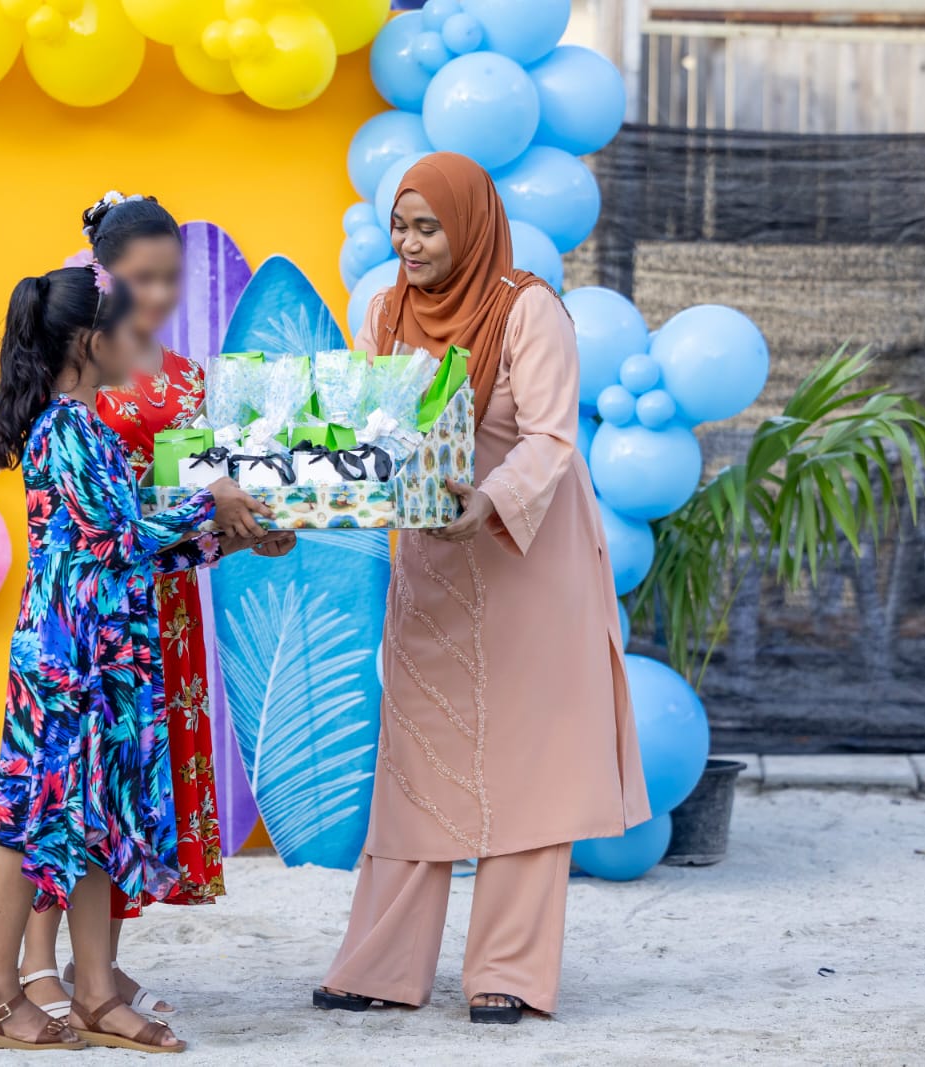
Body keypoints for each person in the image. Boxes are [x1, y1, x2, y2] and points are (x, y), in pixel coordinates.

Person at [315, 153, 650, 1024]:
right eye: (400, 226)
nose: (410, 243)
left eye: (428, 227)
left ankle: (507, 970)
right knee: (417, 752)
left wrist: (491, 499)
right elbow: (368, 432)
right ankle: (381, 963)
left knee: (529, 760)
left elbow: (550, 437)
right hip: (434, 561)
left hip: (528, 557)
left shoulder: (529, 308)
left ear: (468, 226)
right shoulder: (387, 312)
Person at [0, 264, 285, 1053]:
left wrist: (231, 539)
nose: (139, 344)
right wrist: (213, 503)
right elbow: (119, 534)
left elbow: (134, 543)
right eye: (124, 329)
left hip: (103, 658)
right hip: (64, 662)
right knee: (30, 816)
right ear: (88, 341)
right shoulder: (64, 429)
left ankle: (96, 994)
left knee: (96, 817)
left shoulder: (91, 428)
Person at [19, 193, 254, 1022]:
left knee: (120, 789)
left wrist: (242, 524)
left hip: (165, 606)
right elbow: (87, 516)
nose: (157, 294)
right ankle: (34, 965)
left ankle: (99, 968)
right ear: (102, 278)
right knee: (67, 785)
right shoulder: (75, 380)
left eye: (169, 278)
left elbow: (206, 479)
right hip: (94, 611)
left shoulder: (185, 376)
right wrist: (204, 509)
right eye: (140, 277)